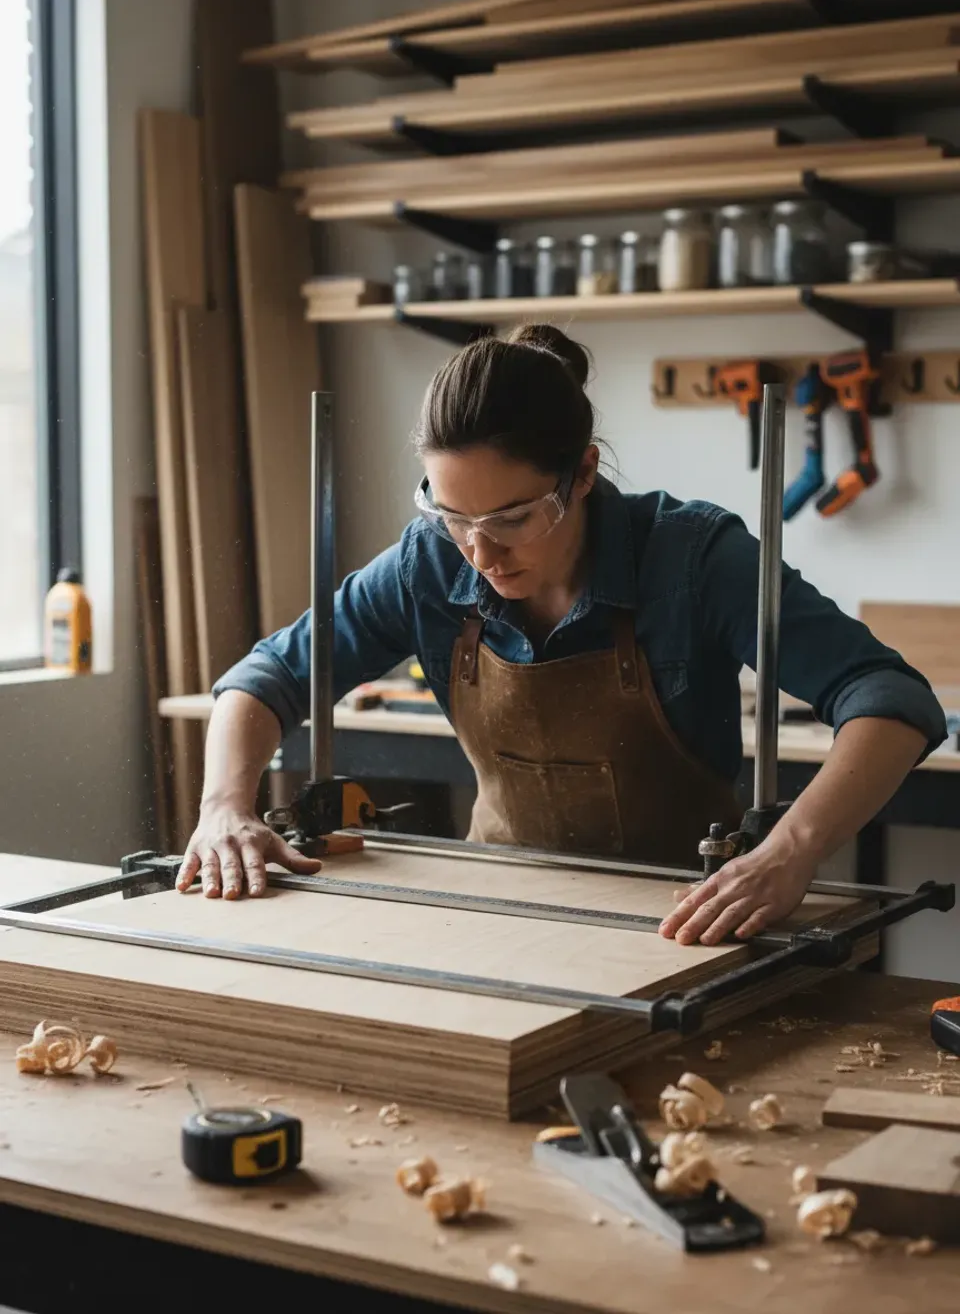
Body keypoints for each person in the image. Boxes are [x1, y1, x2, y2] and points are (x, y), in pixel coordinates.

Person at [176, 324, 946, 945]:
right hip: (498, 915)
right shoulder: (429, 563)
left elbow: (891, 699)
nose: (480, 553)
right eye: (451, 517)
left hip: (683, 924)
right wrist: (223, 807)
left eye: (512, 518)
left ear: (581, 474)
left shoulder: (691, 557)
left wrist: (792, 851)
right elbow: (268, 675)